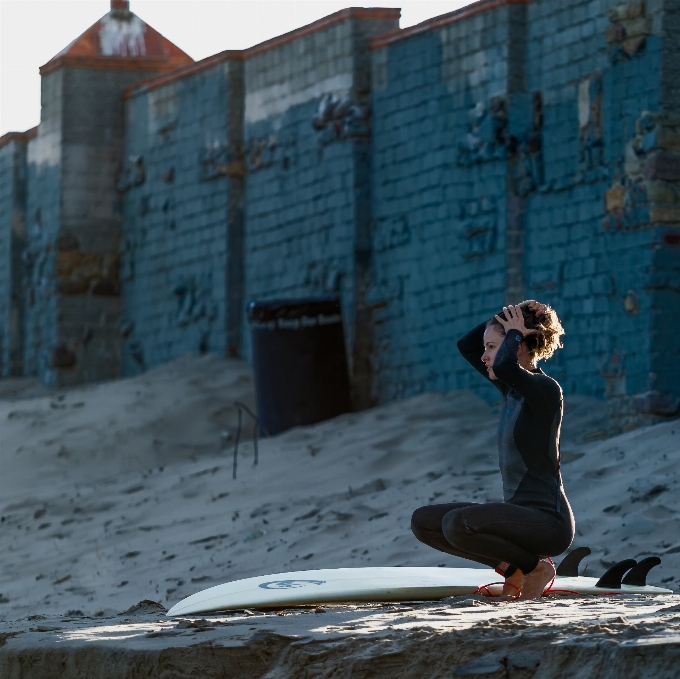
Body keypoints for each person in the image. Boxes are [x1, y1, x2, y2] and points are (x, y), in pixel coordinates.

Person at [411, 301, 574, 600]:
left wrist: (513, 332)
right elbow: (466, 346)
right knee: (424, 522)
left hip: (548, 522)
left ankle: (536, 569)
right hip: (518, 515)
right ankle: (512, 568)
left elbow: (502, 365)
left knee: (457, 524)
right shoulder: (511, 390)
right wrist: (511, 313)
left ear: (519, 346)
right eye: (486, 347)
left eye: (492, 347)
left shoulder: (546, 391)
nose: (484, 356)